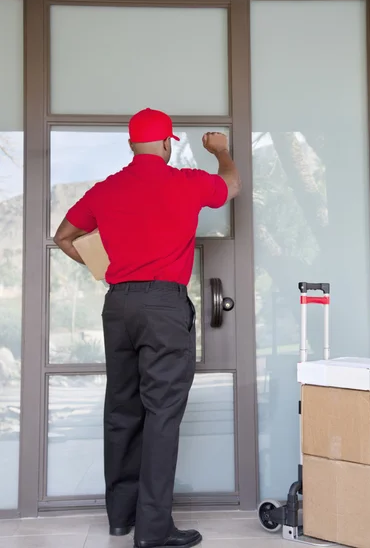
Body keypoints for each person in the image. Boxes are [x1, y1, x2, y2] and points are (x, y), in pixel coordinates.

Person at [54, 108, 241, 548]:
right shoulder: (186, 183)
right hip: (163, 307)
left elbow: (64, 236)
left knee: (122, 410)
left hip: (118, 306)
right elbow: (233, 185)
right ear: (166, 143)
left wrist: (105, 266)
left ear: (130, 144)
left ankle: (120, 518)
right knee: (161, 414)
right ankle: (153, 530)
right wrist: (221, 151)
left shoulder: (106, 189)